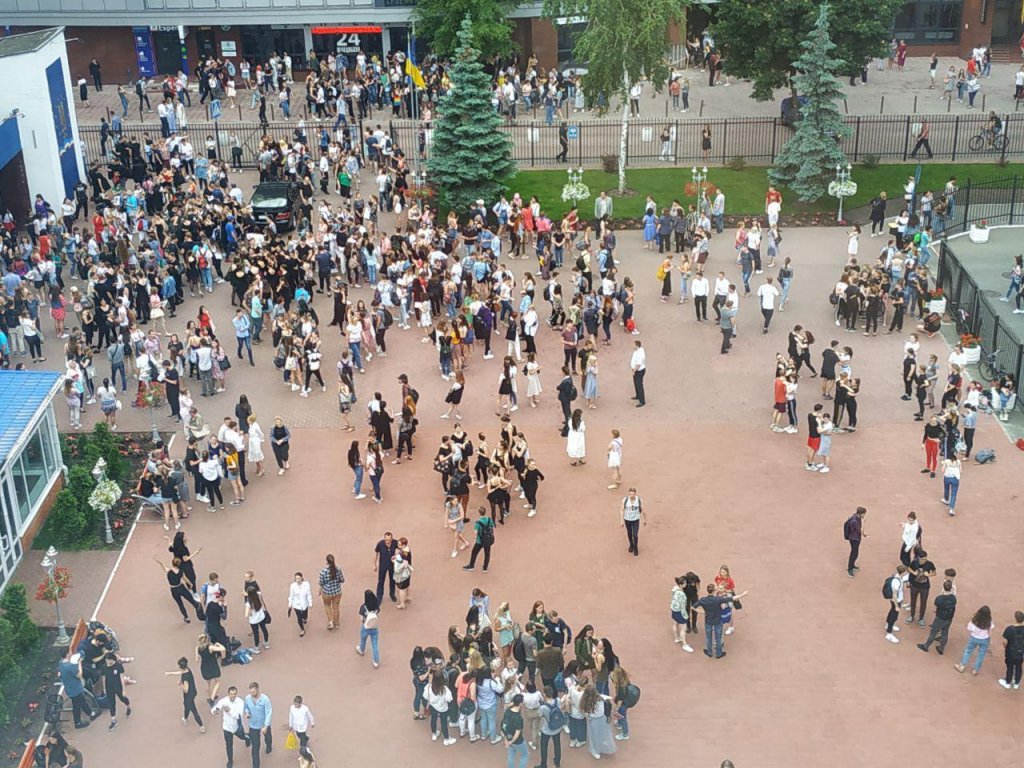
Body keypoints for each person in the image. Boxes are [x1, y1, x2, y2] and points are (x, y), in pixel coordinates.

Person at [694, 584, 748, 658]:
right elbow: (732, 598)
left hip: (708, 621)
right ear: (714, 591)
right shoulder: (718, 599)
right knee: (718, 638)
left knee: (708, 637)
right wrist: (743, 595)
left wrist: (703, 612)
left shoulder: (703, 600)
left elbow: (693, 607)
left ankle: (709, 652)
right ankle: (719, 654)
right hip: (718, 621)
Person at [212, 686, 250, 768]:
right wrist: (215, 711)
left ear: (236, 694)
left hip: (237, 727)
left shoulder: (240, 702)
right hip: (227, 728)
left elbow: (238, 716)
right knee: (229, 745)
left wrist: (229, 711)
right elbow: (216, 708)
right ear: (228, 694)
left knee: (242, 736)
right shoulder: (223, 701)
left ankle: (247, 738)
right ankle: (230, 761)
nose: (233, 696)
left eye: (234, 694)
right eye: (231, 694)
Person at [917, 579, 957, 655]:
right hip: (949, 618)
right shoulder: (953, 598)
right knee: (945, 633)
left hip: (940, 618)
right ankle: (941, 649)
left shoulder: (940, 598)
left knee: (933, 632)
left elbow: (936, 604)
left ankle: (926, 646)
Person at [165, 656, 205, 733]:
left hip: (188, 696)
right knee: (186, 706)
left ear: (180, 666)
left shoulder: (185, 678)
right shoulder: (188, 670)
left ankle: (201, 726)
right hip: (193, 692)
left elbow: (186, 690)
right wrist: (170, 673)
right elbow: (180, 672)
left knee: (193, 710)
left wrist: (180, 684)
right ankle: (185, 718)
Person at [59, 653, 96, 729]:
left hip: (69, 688)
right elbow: (79, 674)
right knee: (77, 706)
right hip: (75, 689)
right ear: (67, 654)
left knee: (81, 702)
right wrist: (79, 663)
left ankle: (91, 713)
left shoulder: (61, 663)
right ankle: (78, 723)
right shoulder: (70, 666)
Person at [955, 606, 995, 675]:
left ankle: (962, 666)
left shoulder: (974, 620)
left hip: (974, 638)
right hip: (985, 639)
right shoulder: (989, 621)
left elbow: (969, 628)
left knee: (968, 651)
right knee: (981, 655)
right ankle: (975, 670)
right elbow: (990, 631)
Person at [243, 682, 273, 768]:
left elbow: (269, 713)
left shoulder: (265, 699)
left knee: (268, 738)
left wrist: (266, 726)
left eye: (253, 692)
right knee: (255, 747)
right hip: (253, 725)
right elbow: (246, 708)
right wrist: (247, 713)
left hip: (264, 724)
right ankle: (255, 765)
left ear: (258, 689)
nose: (252, 694)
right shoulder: (247, 698)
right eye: (250, 692)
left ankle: (269, 746)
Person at [463, 506, 495, 572]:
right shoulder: (489, 519)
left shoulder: (478, 523)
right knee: (487, 553)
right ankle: (485, 568)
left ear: (479, 513)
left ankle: (471, 566)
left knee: (474, 552)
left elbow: (475, 532)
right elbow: (492, 528)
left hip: (480, 541)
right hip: (488, 539)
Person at [355, 589, 381, 668]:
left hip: (366, 627)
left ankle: (361, 650)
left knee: (363, 639)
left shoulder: (363, 607)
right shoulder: (376, 606)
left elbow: (361, 619)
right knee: (375, 644)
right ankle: (376, 661)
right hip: (374, 627)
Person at [318, 554, 344, 631]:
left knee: (327, 605)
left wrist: (320, 590)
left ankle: (330, 621)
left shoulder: (323, 572)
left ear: (327, 561)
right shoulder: (338, 570)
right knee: (336, 607)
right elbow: (342, 580)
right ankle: (337, 623)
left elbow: (321, 583)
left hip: (327, 592)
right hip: (337, 592)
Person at [999, 611, 1024, 690]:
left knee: (1010, 667)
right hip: (1021, 652)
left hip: (1010, 652)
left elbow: (1005, 642)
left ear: (1015, 618)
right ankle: (1016, 683)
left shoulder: (1009, 629)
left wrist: (1005, 647)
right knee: (1019, 667)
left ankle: (1008, 682)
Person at [502, 693, 528, 767]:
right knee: (525, 755)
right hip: (518, 741)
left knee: (511, 755)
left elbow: (503, 727)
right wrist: (510, 742)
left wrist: (506, 740)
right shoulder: (519, 718)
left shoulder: (507, 711)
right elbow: (517, 734)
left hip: (508, 737)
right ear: (520, 704)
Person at [620, 487, 646, 556]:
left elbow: (643, 510)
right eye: (630, 494)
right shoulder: (625, 500)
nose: (632, 495)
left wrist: (644, 519)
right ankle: (631, 544)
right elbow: (622, 510)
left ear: (635, 494)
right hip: (627, 520)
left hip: (636, 520)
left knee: (635, 535)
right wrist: (621, 521)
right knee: (629, 534)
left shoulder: (639, 500)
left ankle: (635, 547)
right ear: (629, 494)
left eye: (633, 494)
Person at [374, 532, 398, 605]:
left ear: (392, 539)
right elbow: (376, 554)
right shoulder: (380, 544)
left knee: (392, 580)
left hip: (392, 565)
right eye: (386, 540)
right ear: (384, 538)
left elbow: (402, 549)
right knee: (381, 581)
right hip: (383, 565)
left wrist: (397, 557)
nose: (388, 541)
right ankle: (379, 597)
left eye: (389, 540)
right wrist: (374, 564)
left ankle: (392, 594)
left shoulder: (395, 543)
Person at [843, 507, 867, 578]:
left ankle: (852, 565)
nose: (864, 515)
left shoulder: (856, 517)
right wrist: (864, 522)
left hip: (856, 537)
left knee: (855, 553)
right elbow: (860, 530)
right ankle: (850, 569)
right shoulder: (854, 521)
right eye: (864, 514)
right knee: (854, 553)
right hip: (854, 539)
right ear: (860, 513)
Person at [288, 572, 313, 637]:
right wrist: (290, 604)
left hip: (305, 603)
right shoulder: (292, 586)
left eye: (299, 578)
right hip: (296, 604)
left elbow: (309, 594)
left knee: (305, 615)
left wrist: (310, 603)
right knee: (299, 617)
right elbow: (291, 595)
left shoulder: (306, 584)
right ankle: (302, 629)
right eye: (296, 578)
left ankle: (304, 618)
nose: (298, 580)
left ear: (302, 578)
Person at [630, 339, 646, 406]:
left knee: (639, 385)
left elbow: (638, 364)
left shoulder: (640, 353)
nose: (632, 346)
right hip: (637, 370)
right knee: (636, 384)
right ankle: (638, 395)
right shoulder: (638, 350)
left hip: (639, 371)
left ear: (636, 345)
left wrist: (634, 371)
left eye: (634, 344)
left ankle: (642, 401)